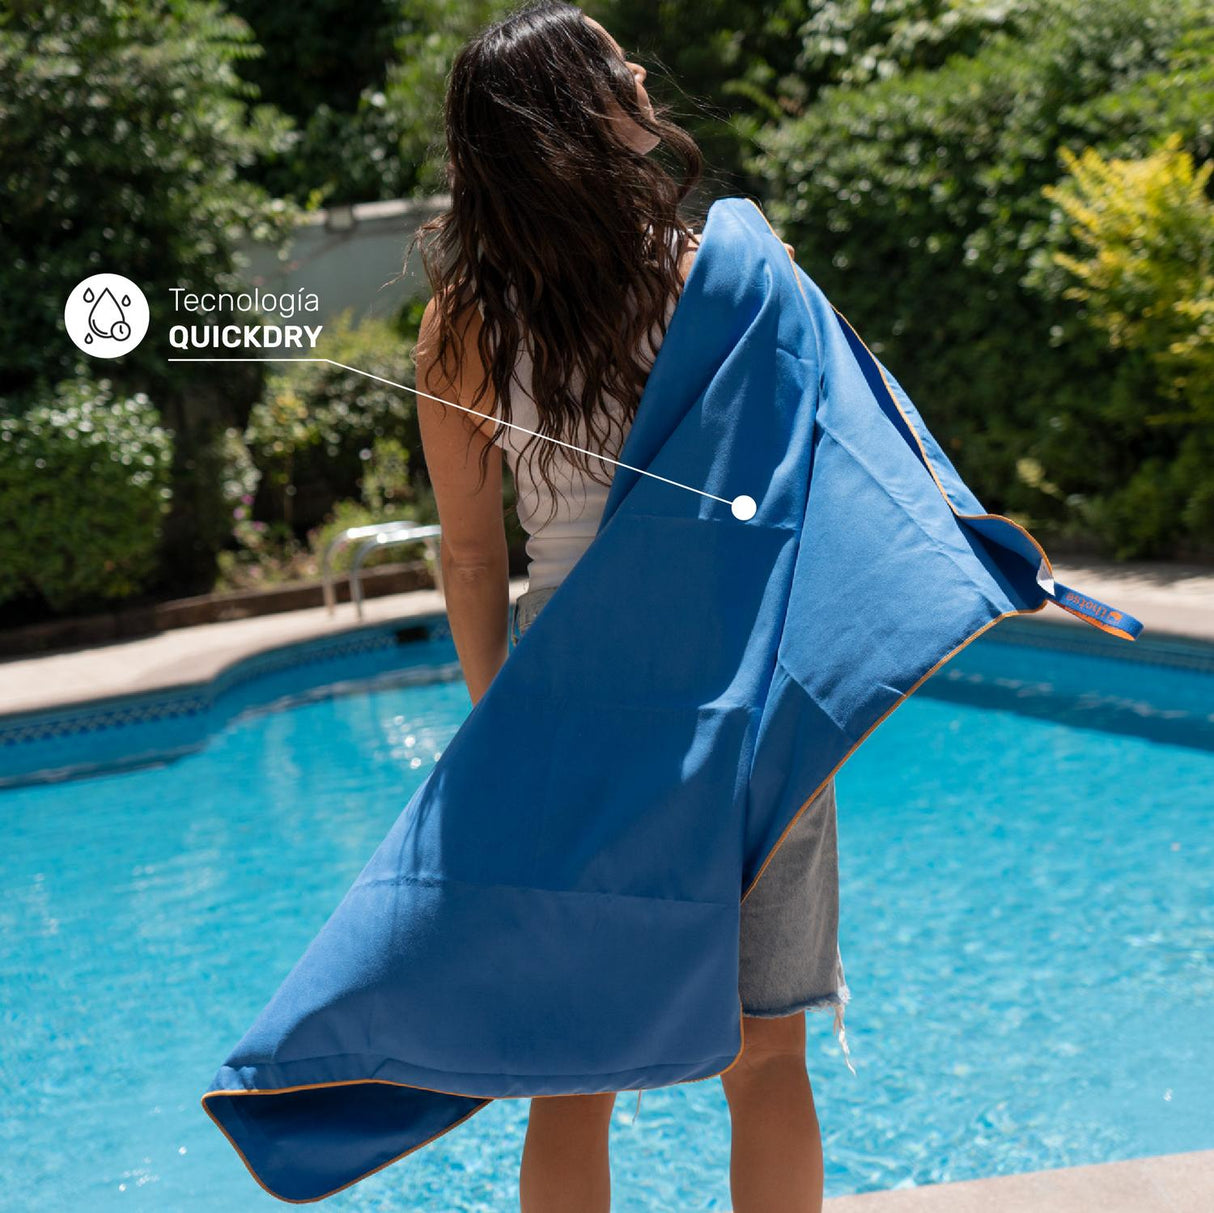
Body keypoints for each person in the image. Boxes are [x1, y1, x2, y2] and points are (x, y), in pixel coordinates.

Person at [410, 6, 847, 1211]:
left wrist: (502, 732)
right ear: (577, 114)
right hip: (745, 687)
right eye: (614, 63)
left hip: (572, 709)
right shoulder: (737, 273)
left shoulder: (464, 323)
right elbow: (824, 482)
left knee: (571, 1071)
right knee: (766, 1056)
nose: (639, 70)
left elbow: (469, 554)